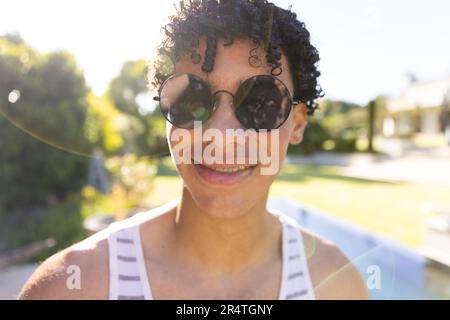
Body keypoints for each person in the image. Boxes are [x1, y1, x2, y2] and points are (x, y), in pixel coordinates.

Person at [19, 0, 368, 300]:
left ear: (298, 123)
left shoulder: (337, 283)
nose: (220, 134)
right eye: (191, 98)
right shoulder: (72, 287)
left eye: (261, 102)